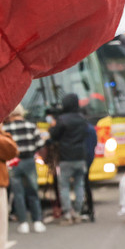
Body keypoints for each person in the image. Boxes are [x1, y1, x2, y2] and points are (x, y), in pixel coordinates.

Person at [2, 104, 47, 233]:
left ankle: (23, 223)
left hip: (13, 163)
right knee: (33, 192)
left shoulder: (5, 128)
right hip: (29, 162)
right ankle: (37, 221)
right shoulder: (31, 126)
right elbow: (40, 145)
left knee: (18, 194)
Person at [48, 93, 88, 225]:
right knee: (79, 185)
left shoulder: (62, 119)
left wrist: (52, 126)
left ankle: (67, 214)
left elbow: (54, 135)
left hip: (65, 157)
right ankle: (77, 212)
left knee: (64, 186)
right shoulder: (82, 118)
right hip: (80, 156)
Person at [82, 118, 98, 222]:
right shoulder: (91, 128)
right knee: (86, 184)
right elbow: (95, 143)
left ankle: (83, 209)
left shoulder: (80, 129)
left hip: (81, 159)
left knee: (81, 184)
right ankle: (90, 209)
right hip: (89, 159)